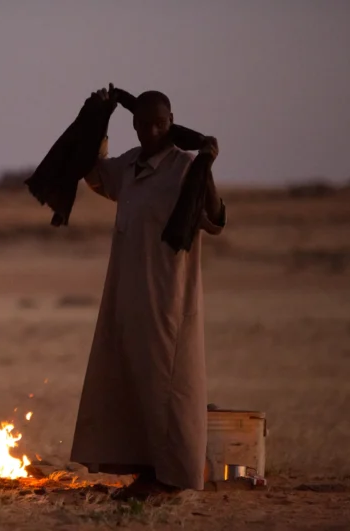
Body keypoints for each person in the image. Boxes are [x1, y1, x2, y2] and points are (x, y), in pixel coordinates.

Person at [70, 87, 226, 499]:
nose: (150, 132)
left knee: (168, 381)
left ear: (171, 120)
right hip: (127, 290)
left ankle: (174, 476)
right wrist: (98, 118)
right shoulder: (131, 166)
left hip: (167, 294)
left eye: (159, 123)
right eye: (141, 124)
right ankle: (146, 469)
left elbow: (215, 218)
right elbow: (95, 172)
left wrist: (206, 163)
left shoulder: (185, 167)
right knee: (131, 375)